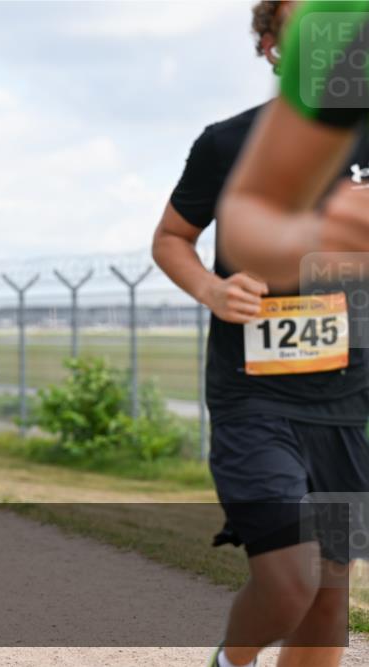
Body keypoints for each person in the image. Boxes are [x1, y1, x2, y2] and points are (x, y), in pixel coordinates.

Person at [189, 2, 368, 666]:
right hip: (255, 393)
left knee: (329, 590)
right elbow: (214, 231)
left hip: (347, 399)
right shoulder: (232, 142)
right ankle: (231, 660)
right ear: (272, 48)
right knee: (292, 580)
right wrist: (215, 285)